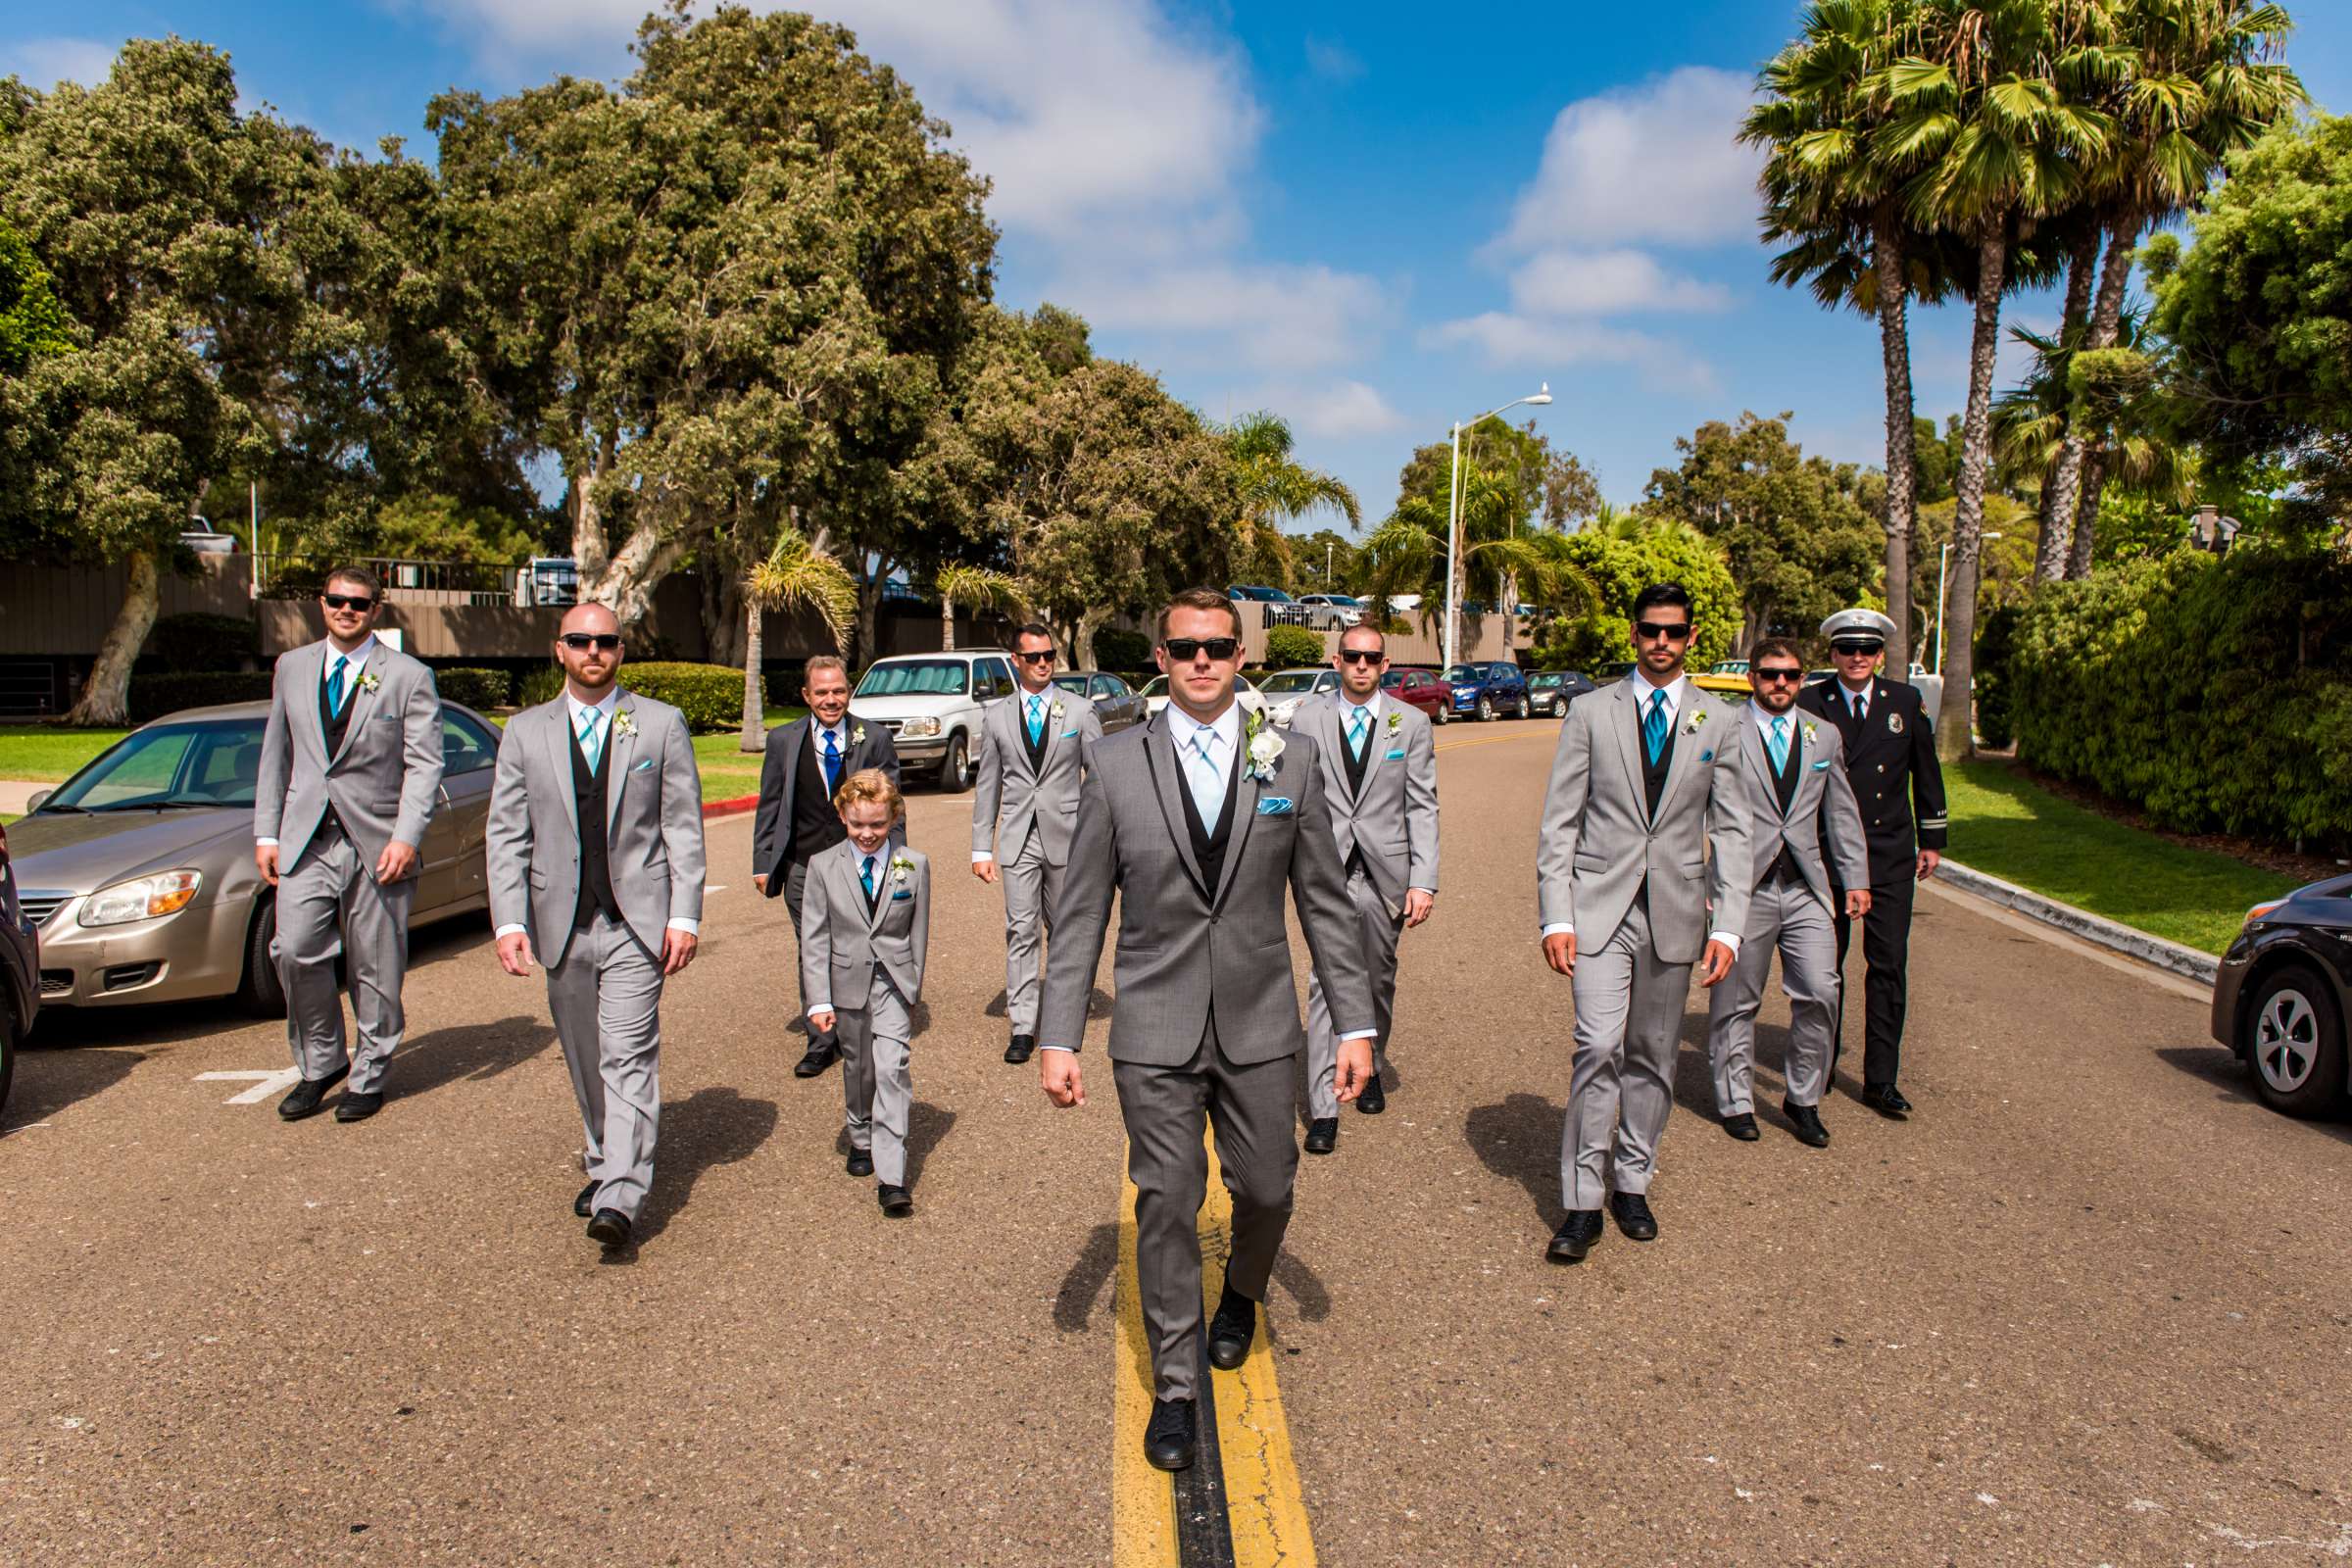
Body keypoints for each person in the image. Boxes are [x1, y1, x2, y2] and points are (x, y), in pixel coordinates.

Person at [1038, 588, 1374, 1474]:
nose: (1201, 663)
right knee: (1168, 1201)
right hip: (1153, 1026)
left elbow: (1329, 907)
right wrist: (1058, 1034)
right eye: (1185, 649)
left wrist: (1357, 1024)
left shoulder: (1291, 761)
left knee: (1268, 1186)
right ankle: (1177, 1388)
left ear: (1240, 658)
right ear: (1160, 657)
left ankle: (1243, 1294)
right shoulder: (1112, 764)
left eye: (1218, 649)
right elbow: (1078, 915)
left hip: (1263, 1019)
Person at [1536, 582, 1752, 1262]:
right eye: (1650, 630)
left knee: (1655, 1056)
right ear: (1635, 634)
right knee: (1598, 1046)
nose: (1661, 642)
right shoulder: (1591, 712)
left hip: (1678, 914)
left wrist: (1728, 929)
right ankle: (1581, 1202)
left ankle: (1632, 1181)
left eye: (1674, 631)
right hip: (1599, 909)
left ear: (1691, 638)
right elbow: (1560, 820)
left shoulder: (1720, 721)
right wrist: (1555, 915)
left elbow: (1736, 832)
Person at [486, 604, 707, 1253]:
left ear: (619, 651)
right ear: (560, 650)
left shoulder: (660, 724)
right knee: (586, 1058)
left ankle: (621, 1192)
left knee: (627, 1054)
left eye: (605, 642)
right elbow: (506, 835)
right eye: (580, 641)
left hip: (636, 923)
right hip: (560, 923)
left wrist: (685, 913)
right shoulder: (524, 732)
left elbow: (683, 828)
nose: (594, 651)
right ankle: (604, 1152)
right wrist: (508, 919)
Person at [254, 565, 445, 1124]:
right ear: (321, 604)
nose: (347, 610)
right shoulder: (291, 667)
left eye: (359, 604)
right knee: (292, 950)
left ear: (375, 611)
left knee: (375, 965)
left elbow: (425, 764)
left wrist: (407, 837)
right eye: (338, 601)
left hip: (377, 842)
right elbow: (277, 754)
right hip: (305, 839)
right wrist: (267, 831)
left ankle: (370, 1071)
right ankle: (321, 1061)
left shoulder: (408, 676)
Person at [1704, 638, 1871, 1148]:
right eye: (1771, 674)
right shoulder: (1723, 728)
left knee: (1822, 991)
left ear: (1803, 679)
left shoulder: (1824, 736)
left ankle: (1803, 1098)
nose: (1782, 683)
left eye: (1792, 675)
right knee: (1736, 1000)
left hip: (1805, 887)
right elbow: (1694, 807)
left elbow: (1839, 810)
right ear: (1752, 677)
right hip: (1743, 889)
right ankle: (1735, 1100)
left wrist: (1856, 875)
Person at [1286, 621, 1438, 1153]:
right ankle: (1326, 1104)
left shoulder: (1411, 723)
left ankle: (1368, 1061)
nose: (1362, 667)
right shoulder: (1307, 717)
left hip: (1386, 872)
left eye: (1372, 659)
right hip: (1325, 870)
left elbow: (1422, 803)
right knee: (1326, 980)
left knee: (1376, 979)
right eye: (1353, 657)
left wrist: (1424, 879)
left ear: (1385, 664)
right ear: (1336, 660)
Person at [1797, 609, 1948, 1118]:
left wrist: (1932, 837)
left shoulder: (1904, 702)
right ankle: (1820, 1065)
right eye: (1847, 649)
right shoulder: (1810, 702)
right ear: (1832, 654)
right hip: (1827, 854)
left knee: (1887, 967)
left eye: (1866, 649)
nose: (1857, 657)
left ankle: (1881, 1079)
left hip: (1888, 853)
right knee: (1826, 967)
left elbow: (1926, 772)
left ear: (1880, 655)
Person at [752, 656, 901, 1080]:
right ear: (806, 695)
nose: (831, 700)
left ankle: (863, 1026)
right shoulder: (783, 740)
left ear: (847, 691)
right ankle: (820, 1040)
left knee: (860, 946)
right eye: (821, 693)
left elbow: (893, 807)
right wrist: (763, 860)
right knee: (812, 948)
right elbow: (771, 803)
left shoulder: (872, 738)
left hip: (862, 862)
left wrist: (897, 861)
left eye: (838, 691)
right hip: (804, 864)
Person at [969, 624, 1102, 1065]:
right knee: (1020, 930)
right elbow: (988, 784)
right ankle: (1023, 1026)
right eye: (1034, 657)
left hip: (1067, 838)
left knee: (1065, 931)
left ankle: (1064, 1016)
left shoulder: (1080, 712)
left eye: (1049, 655)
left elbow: (1099, 782)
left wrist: (1101, 839)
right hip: (1017, 839)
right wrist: (980, 848)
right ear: (1016, 660)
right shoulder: (996, 716)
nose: (1043, 663)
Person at [804, 769, 931, 1216]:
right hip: (847, 983)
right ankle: (860, 1132)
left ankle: (892, 1175)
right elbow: (815, 938)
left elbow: (918, 932)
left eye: (877, 824)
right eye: (858, 824)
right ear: (842, 816)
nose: (867, 834)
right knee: (859, 1066)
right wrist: (818, 999)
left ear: (893, 817)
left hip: (894, 983)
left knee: (892, 1067)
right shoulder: (823, 866)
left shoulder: (914, 865)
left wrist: (913, 986)